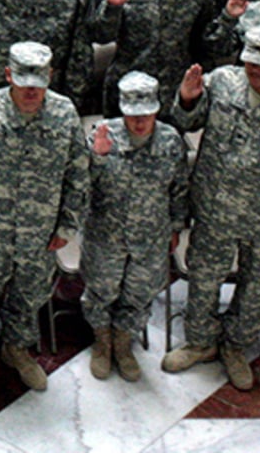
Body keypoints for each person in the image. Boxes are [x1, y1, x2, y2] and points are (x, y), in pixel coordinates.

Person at [162, 25, 260, 392]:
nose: (254, 69)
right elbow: (186, 123)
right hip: (215, 209)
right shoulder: (222, 83)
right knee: (203, 279)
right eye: (250, 59)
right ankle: (200, 342)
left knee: (253, 289)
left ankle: (235, 347)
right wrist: (186, 99)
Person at [0, 41, 88, 393]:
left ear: (50, 77)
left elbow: (78, 172)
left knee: (30, 295)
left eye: (38, 83)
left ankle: (17, 349)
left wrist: (67, 225)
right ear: (8, 74)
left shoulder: (64, 112)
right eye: (22, 82)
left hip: (40, 231)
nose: (30, 91)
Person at [81, 71, 188, 383]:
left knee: (139, 293)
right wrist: (97, 159)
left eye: (146, 115)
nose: (140, 123)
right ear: (122, 110)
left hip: (150, 237)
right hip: (106, 235)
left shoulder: (170, 141)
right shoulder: (102, 136)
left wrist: (176, 227)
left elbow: (179, 188)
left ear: (156, 109)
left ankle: (123, 344)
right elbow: (81, 188)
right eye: (133, 115)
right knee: (102, 291)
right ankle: (102, 343)